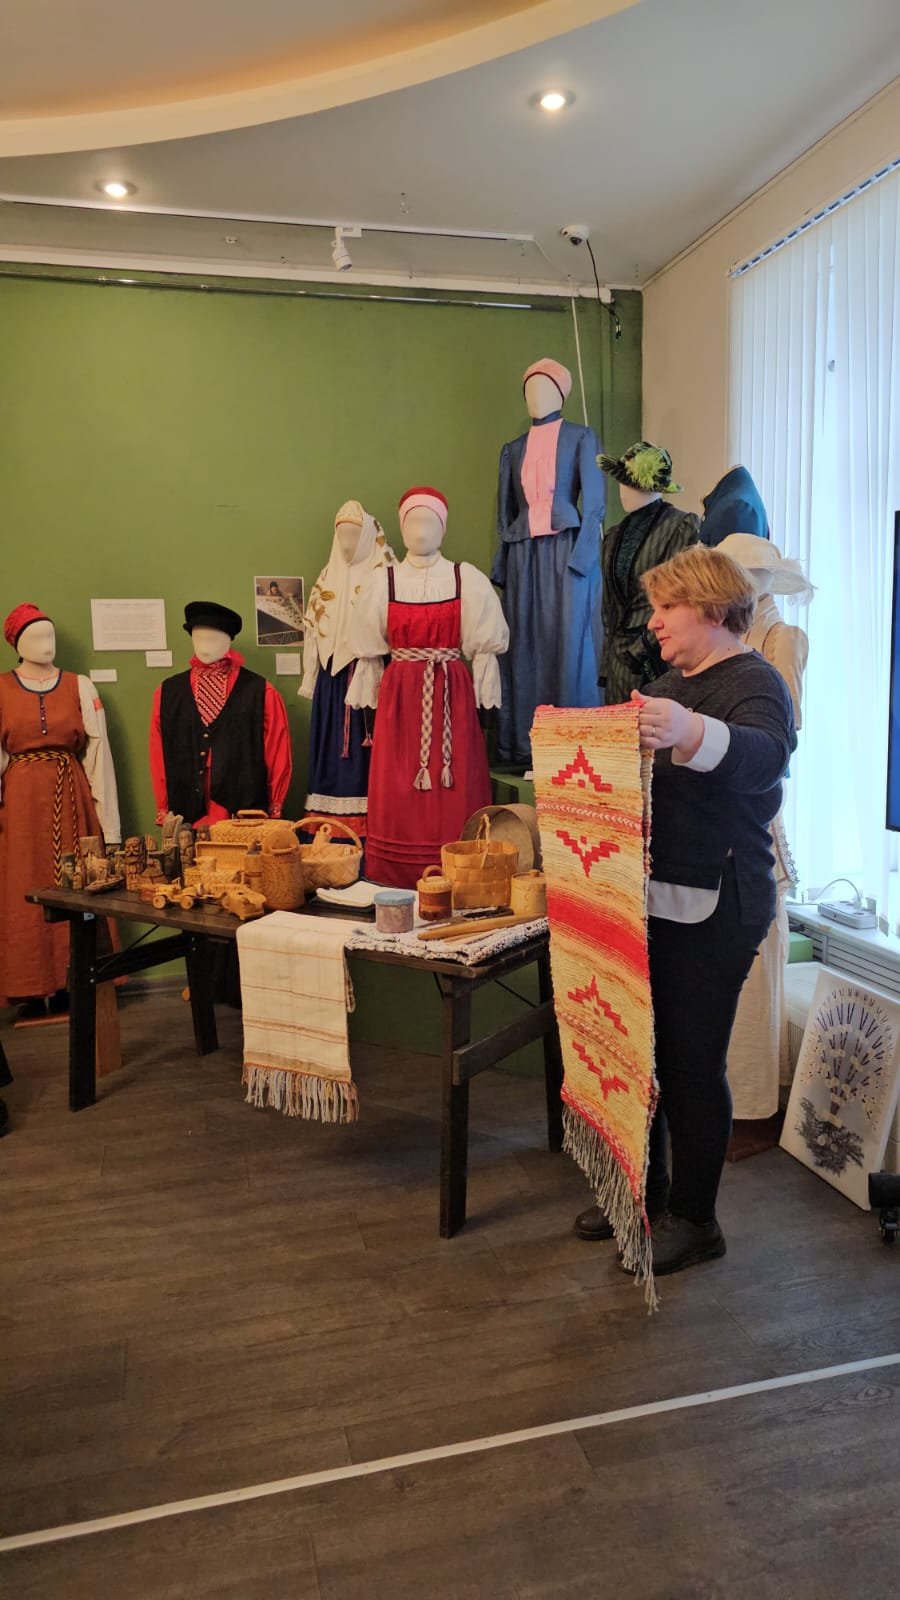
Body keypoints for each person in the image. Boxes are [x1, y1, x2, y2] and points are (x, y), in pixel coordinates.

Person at [574, 546, 796, 1275]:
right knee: (644, 1055)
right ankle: (647, 1196)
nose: (655, 622)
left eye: (667, 607)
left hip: (720, 902)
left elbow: (767, 758)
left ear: (712, 608)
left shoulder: (755, 681)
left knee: (691, 1063)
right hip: (657, 899)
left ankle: (697, 1221)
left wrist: (688, 732)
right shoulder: (671, 685)